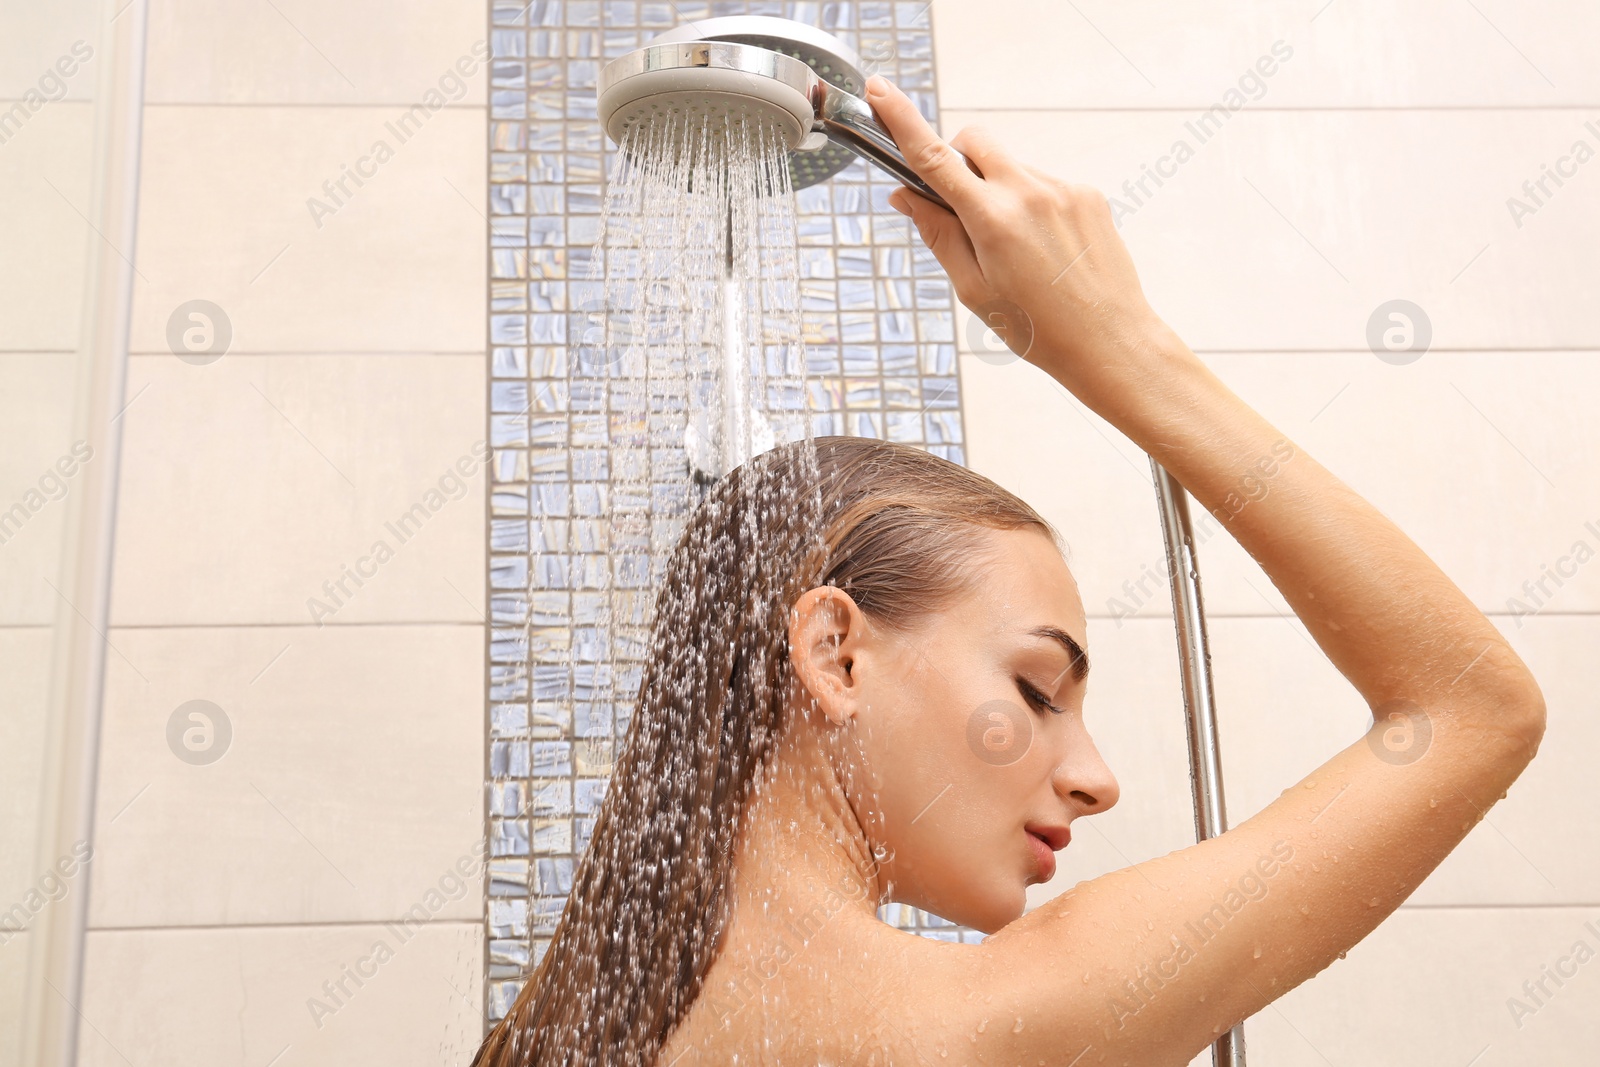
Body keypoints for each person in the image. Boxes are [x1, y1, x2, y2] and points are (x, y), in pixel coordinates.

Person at [473, 75, 1547, 1066]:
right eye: (1036, 688)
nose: (1095, 777)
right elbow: (1470, 707)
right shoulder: (979, 1027)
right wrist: (1120, 345)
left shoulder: (534, 1037)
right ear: (833, 653)